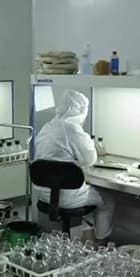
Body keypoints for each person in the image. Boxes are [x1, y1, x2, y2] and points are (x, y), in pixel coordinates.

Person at [34, 89, 114, 242]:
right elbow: (90, 159)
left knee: (91, 198)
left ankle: (87, 240)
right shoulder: (73, 129)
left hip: (44, 194)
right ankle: (101, 243)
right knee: (107, 200)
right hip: (68, 197)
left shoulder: (47, 127)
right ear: (81, 110)